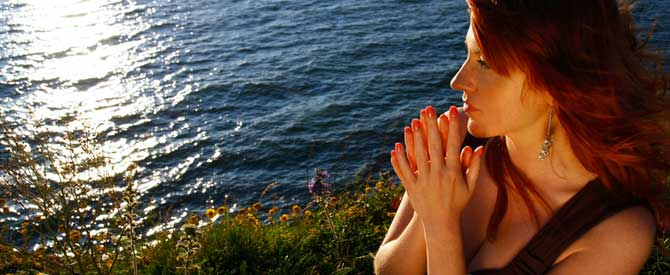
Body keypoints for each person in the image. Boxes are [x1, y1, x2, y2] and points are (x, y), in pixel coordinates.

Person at [374, 0, 670, 274]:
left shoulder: (617, 232)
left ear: (556, 82)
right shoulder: (459, 135)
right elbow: (386, 269)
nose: (457, 81)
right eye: (467, 54)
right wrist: (426, 209)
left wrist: (440, 224)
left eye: (485, 63)